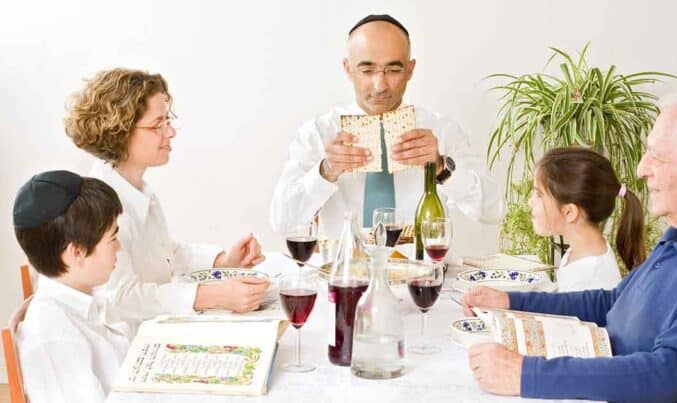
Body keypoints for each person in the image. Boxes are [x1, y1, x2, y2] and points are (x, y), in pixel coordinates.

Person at [462, 86, 677, 401]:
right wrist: (511, 303)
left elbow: (664, 374)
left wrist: (525, 374)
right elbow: (611, 303)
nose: (641, 169)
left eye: (657, 157)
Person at [65, 68, 268, 323]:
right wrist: (208, 295)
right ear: (120, 132)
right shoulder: (98, 207)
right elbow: (121, 299)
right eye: (156, 125)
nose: (170, 132)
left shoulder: (136, 187)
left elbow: (166, 254)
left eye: (167, 121)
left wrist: (224, 261)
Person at [270, 14, 503, 236]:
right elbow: (283, 222)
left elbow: (494, 210)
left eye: (393, 70)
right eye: (367, 70)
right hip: (345, 274)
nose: (380, 85)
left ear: (410, 70)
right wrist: (326, 171)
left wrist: (442, 168)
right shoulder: (318, 134)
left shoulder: (441, 131)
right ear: (348, 69)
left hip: (423, 273)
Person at [13, 171, 130, 402]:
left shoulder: (84, 296)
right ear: (77, 252)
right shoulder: (56, 337)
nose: (120, 248)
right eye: (112, 239)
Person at [530, 147, 645, 291]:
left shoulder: (590, 280)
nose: (531, 202)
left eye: (539, 194)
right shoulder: (578, 254)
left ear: (569, 212)